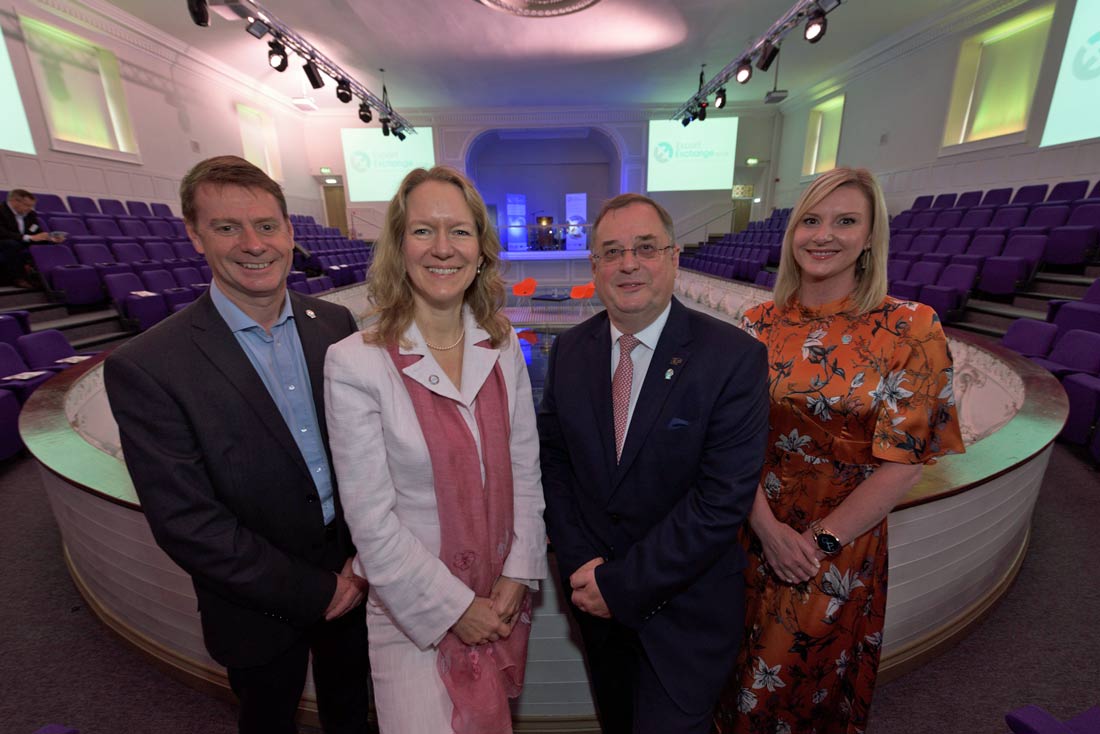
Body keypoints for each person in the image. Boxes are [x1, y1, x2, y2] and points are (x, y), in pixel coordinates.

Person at [104, 155, 370, 734]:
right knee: (267, 720)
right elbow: (185, 521)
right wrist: (317, 589)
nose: (254, 244)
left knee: (354, 714)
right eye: (228, 228)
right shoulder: (148, 365)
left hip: (357, 569)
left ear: (290, 232)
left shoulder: (335, 326)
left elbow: (367, 452)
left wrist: (364, 560)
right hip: (254, 598)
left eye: (267, 226)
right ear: (197, 237)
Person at [713, 167, 966, 734]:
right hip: (748, 533)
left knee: (785, 693)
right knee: (727, 681)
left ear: (871, 236)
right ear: (791, 234)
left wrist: (814, 543)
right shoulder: (756, 322)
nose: (823, 235)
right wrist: (767, 528)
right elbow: (728, 442)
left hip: (832, 549)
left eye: (845, 221)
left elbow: (904, 462)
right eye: (810, 220)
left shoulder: (912, 327)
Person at [324, 165, 547, 734]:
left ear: (481, 249)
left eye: (460, 231)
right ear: (399, 247)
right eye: (423, 231)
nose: (442, 248)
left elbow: (525, 471)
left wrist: (518, 577)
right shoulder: (355, 361)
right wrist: (455, 610)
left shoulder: (501, 345)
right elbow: (371, 522)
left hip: (500, 603)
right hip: (411, 617)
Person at [538, 193, 770, 734]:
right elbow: (554, 462)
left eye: (645, 248)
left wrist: (619, 585)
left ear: (673, 257)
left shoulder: (733, 358)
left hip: (684, 613)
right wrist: (579, 564)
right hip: (594, 605)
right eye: (612, 251)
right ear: (594, 266)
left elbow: (720, 502)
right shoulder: (569, 349)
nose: (628, 263)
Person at [0, 188, 59, 287]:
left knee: (46, 242)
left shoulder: (30, 214)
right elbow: (2, 233)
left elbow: (35, 230)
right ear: (14, 202)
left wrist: (49, 238)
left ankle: (45, 276)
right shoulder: (1, 211)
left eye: (31, 206)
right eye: (27, 205)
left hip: (22, 240)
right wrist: (29, 237)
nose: (30, 208)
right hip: (4, 241)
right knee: (12, 244)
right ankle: (18, 278)